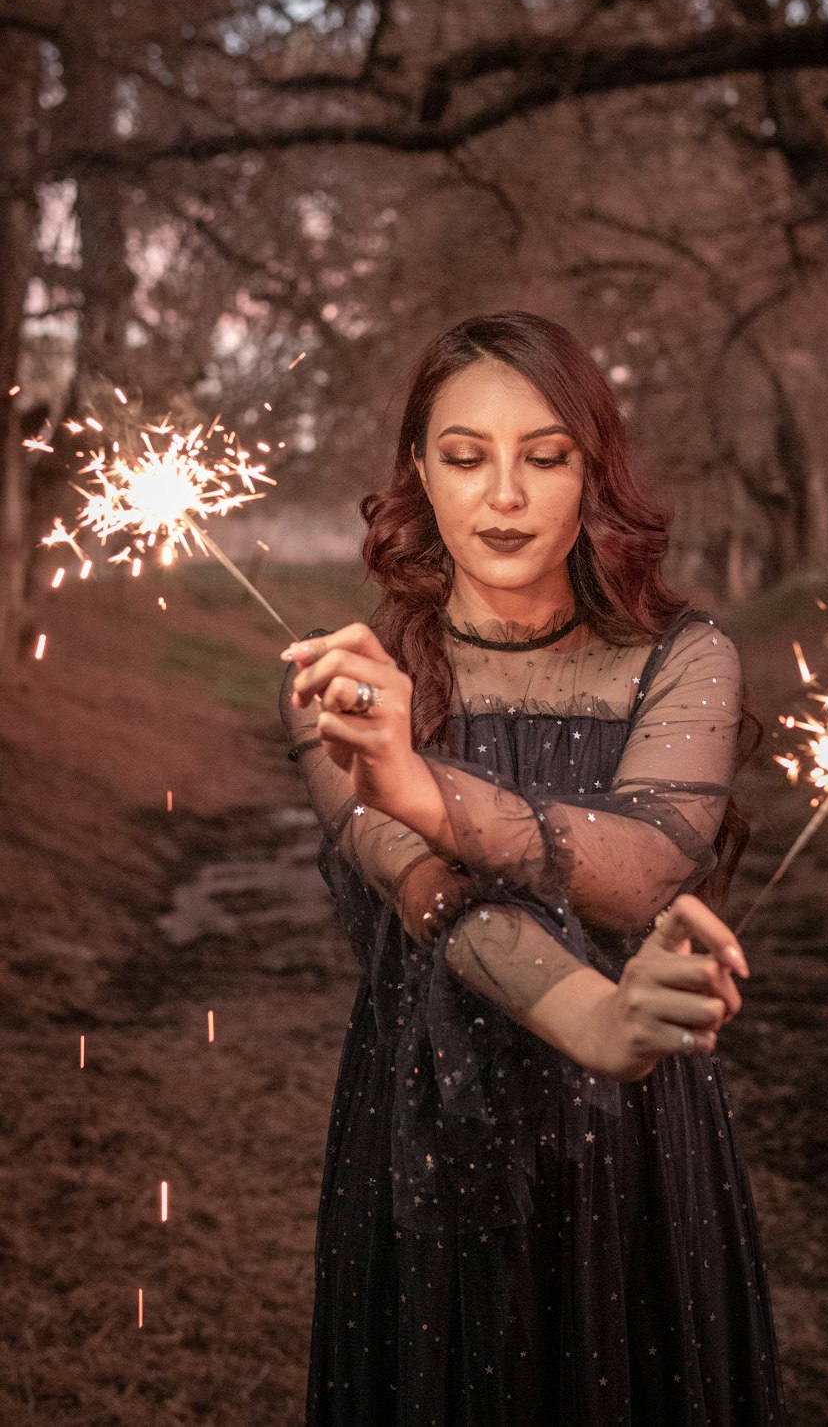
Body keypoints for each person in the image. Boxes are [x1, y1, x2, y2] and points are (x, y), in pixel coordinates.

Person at [279, 311, 786, 1426]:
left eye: (544, 457)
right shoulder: (348, 689)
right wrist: (596, 1019)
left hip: (638, 1145)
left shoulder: (684, 660)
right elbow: (436, 905)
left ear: (591, 472)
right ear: (418, 471)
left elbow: (641, 870)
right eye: (465, 457)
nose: (503, 496)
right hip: (422, 1151)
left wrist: (424, 790)